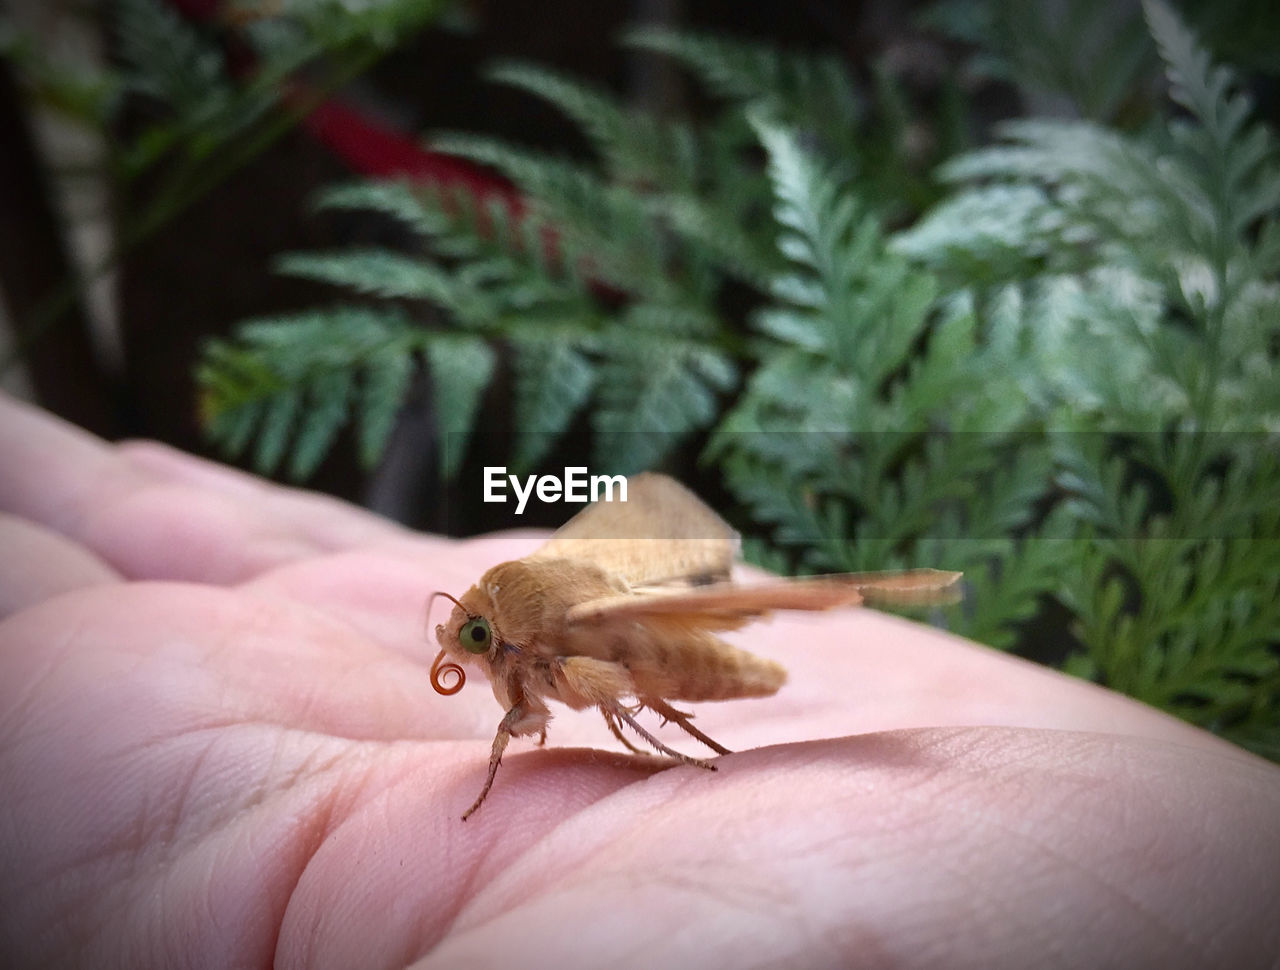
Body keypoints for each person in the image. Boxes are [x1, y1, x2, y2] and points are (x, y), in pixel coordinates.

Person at [1, 391, 1276, 968]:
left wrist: (653, 733)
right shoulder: (518, 634)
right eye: (477, 652)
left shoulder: (558, 641)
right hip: (638, 638)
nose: (480, 669)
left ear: (510, 640)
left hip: (680, 653)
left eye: (483, 648)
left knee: (614, 683)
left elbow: (593, 667)